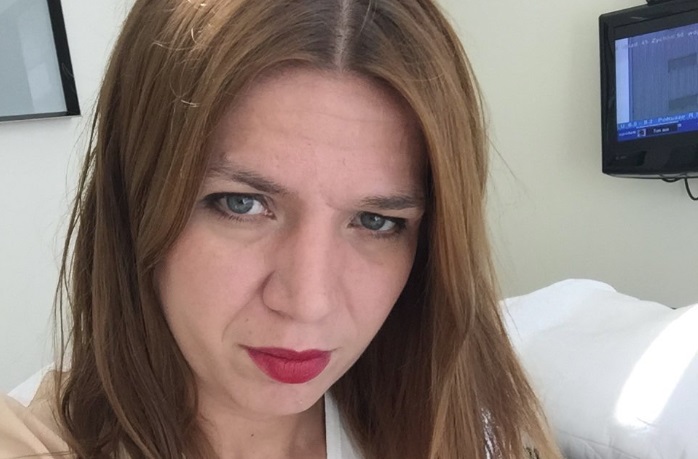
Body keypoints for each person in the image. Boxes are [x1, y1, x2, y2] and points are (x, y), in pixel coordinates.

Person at [0, 0, 561, 458]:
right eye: (242, 204)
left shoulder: (473, 425)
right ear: (136, 202)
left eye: (376, 221)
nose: (308, 303)